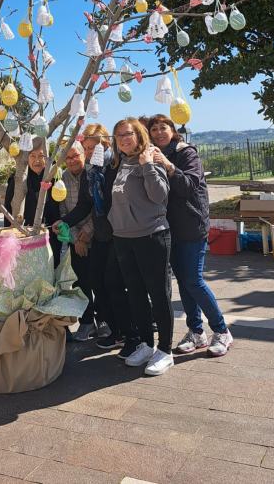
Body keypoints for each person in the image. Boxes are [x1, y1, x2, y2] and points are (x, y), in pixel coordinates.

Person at [147, 114, 233, 357]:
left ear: (172, 130)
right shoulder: (152, 156)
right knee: (183, 281)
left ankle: (222, 330)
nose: (159, 132)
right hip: (169, 227)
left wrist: (166, 164)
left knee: (194, 280)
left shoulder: (186, 153)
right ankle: (196, 331)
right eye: (154, 129)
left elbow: (188, 186)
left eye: (163, 127)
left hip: (192, 225)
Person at [53, 124, 139, 360]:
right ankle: (118, 330)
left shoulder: (115, 166)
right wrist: (66, 224)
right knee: (99, 284)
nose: (90, 152)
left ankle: (133, 334)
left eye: (94, 147)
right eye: (87, 147)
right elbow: (85, 206)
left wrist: (85, 233)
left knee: (114, 284)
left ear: (106, 143)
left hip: (120, 234)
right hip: (103, 236)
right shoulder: (92, 172)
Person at [108, 118, 174, 376]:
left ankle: (165, 350)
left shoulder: (149, 160)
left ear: (138, 135)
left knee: (158, 294)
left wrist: (147, 166)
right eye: (118, 136)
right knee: (135, 294)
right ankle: (146, 344)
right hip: (124, 238)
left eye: (128, 134)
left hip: (151, 236)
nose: (123, 139)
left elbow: (160, 196)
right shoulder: (121, 162)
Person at [58, 142, 96, 341]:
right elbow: (63, 212)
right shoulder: (62, 179)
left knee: (99, 281)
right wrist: (76, 239)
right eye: (68, 157)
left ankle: (105, 321)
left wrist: (87, 233)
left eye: (76, 156)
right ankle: (87, 322)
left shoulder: (93, 174)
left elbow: (97, 208)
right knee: (81, 283)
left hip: (95, 236)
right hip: (76, 240)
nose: (72, 160)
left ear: (84, 155)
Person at [4, 141, 61, 265]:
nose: (37, 160)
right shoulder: (18, 179)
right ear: (27, 158)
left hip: (50, 235)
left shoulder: (54, 177)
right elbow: (8, 206)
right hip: (24, 235)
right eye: (32, 156)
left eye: (41, 156)